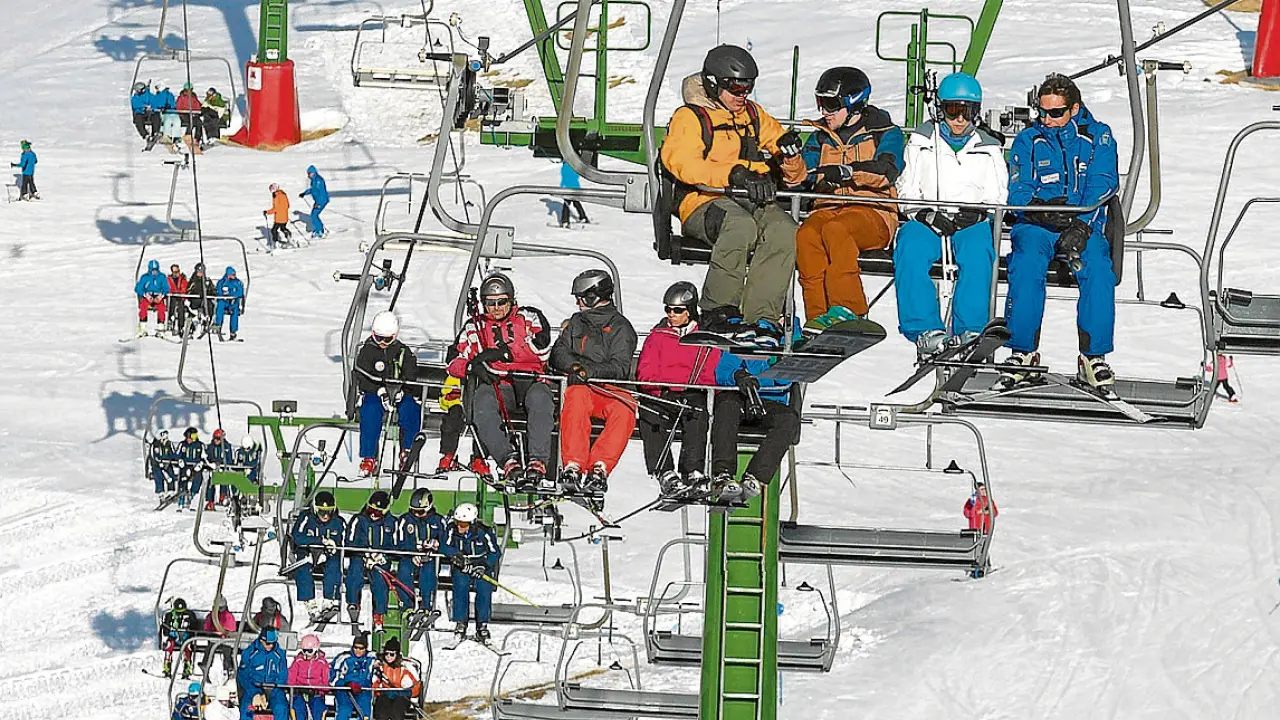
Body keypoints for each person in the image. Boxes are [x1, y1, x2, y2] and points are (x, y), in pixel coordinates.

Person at [659, 45, 807, 344]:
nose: (743, 95)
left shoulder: (752, 115)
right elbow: (683, 164)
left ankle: (762, 318)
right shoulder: (691, 117)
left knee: (785, 229)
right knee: (740, 226)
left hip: (750, 200)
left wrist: (790, 156)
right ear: (714, 84)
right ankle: (719, 311)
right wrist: (735, 174)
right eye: (736, 88)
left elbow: (795, 174)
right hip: (703, 201)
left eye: (748, 88)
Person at [997, 73, 1120, 392]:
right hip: (1038, 224)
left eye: (1055, 113)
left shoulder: (1098, 137)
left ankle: (1093, 356)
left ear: (1074, 109)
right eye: (1043, 112)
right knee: (1026, 264)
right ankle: (1022, 351)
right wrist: (1040, 210)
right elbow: (1018, 187)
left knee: (1098, 269)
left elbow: (1103, 182)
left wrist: (1081, 223)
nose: (1047, 119)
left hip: (1081, 222)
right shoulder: (1028, 139)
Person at [894, 72, 1007, 356]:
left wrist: (980, 213)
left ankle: (970, 328)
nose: (959, 119)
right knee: (910, 247)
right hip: (928, 218)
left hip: (970, 220)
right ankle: (924, 329)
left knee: (979, 252)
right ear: (939, 109)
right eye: (952, 110)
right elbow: (906, 188)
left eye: (966, 111)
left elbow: (998, 194)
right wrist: (922, 213)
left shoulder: (988, 148)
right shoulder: (922, 142)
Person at [793, 67, 904, 323]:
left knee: (836, 230)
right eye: (821, 103)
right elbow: (800, 177)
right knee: (807, 236)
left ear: (854, 103)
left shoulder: (884, 132)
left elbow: (886, 170)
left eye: (831, 104)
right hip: (827, 208)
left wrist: (848, 172)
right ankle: (818, 318)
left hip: (873, 212)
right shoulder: (821, 137)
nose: (824, 111)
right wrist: (790, 158)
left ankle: (849, 310)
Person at [447, 273, 555, 489]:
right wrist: (471, 366)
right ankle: (506, 460)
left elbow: (541, 348)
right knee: (482, 401)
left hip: (530, 379)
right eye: (490, 303)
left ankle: (538, 460)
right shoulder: (474, 327)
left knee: (541, 400)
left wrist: (505, 354)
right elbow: (453, 361)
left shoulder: (528, 318)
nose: (496, 308)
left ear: (511, 300)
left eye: (502, 302)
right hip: (499, 383)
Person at [549, 270, 638, 495]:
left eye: (581, 298)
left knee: (626, 406)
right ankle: (573, 464)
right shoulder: (576, 323)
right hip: (581, 388)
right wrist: (574, 368)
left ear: (593, 297)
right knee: (576, 396)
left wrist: (588, 370)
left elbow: (619, 367)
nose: (578, 303)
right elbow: (558, 353)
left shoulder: (620, 328)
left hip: (608, 389)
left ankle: (600, 466)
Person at [635, 282, 721, 496]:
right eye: (668, 309)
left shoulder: (704, 338)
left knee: (697, 414)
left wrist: (690, 387)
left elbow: (710, 373)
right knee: (650, 413)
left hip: (692, 393)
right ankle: (665, 472)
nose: (671, 315)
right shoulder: (658, 337)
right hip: (662, 394)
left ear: (689, 311)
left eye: (677, 310)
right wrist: (664, 388)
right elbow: (646, 371)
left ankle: (692, 470)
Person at [709, 331, 800, 503]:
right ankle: (723, 473)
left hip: (769, 399)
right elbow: (722, 372)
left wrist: (779, 364)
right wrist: (737, 376)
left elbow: (786, 379)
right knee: (727, 407)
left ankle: (756, 475)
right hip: (739, 396)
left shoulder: (786, 340)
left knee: (788, 418)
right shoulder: (744, 339)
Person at [351, 311, 421, 477]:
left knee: (411, 409)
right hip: (375, 393)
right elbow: (361, 377)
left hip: (399, 393)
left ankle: (407, 450)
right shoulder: (366, 352)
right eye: (378, 338)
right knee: (370, 410)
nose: (382, 343)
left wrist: (403, 391)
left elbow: (411, 374)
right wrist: (379, 391)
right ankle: (369, 457)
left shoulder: (403, 352)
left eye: (387, 339)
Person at [440, 502, 501, 644]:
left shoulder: (484, 532)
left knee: (484, 587)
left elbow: (495, 552)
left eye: (463, 524)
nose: (459, 527)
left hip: (480, 565)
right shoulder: (452, 530)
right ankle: (461, 623)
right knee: (460, 584)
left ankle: (482, 625)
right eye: (458, 523)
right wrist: (458, 557)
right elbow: (445, 546)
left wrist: (484, 566)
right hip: (462, 567)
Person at [345, 490, 398, 632]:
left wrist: (383, 556)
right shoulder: (359, 520)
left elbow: (397, 545)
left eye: (378, 512)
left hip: (379, 560)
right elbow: (349, 541)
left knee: (380, 580)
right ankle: (353, 604)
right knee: (355, 573)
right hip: (360, 557)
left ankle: (378, 615)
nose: (373, 515)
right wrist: (364, 553)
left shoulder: (392, 523)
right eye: (371, 510)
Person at [291, 489, 345, 623]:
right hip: (308, 552)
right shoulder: (306, 518)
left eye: (329, 512)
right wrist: (320, 541)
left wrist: (334, 546)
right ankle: (310, 602)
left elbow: (345, 540)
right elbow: (297, 536)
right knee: (303, 569)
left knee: (334, 565)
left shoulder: (338, 522)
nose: (325, 516)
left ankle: (330, 600)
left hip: (327, 555)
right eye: (322, 512)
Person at [395, 488, 445, 620]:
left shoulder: (438, 521)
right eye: (414, 511)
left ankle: (426, 606)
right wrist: (412, 552)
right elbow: (400, 542)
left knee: (428, 571)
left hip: (430, 558)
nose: (417, 514)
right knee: (404, 571)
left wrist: (436, 545)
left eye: (421, 511)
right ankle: (407, 607)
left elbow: (446, 542)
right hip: (409, 558)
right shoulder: (405, 520)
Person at [434, 374, 489, 477]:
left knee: (484, 419)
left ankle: (479, 459)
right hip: (457, 406)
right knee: (453, 418)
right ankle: (448, 455)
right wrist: (451, 398)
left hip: (478, 405)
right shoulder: (454, 375)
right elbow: (444, 398)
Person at [237, 628, 288, 720]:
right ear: (261, 640)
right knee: (247, 709)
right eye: (268, 643)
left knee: (281, 708)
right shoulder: (250, 653)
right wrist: (254, 693)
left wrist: (272, 691)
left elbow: (283, 676)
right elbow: (243, 676)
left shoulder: (279, 654)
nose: (270, 646)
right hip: (254, 687)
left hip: (274, 689)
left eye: (273, 643)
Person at [371, 636, 420, 719]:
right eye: (386, 654)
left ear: (397, 654)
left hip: (401, 697)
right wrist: (381, 691)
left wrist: (406, 692)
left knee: (397, 711)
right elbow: (374, 684)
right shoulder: (381, 667)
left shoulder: (405, 668)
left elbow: (415, 686)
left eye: (392, 654)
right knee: (382, 711)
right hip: (385, 695)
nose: (388, 657)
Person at [331, 634, 375, 720]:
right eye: (356, 647)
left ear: (365, 648)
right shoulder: (344, 658)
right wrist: (346, 684)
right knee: (344, 710)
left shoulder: (371, 659)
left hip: (363, 689)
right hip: (345, 690)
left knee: (365, 710)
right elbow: (334, 678)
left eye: (361, 648)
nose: (358, 650)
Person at [287, 634, 329, 720]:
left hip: (316, 693)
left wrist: (319, 689)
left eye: (309, 651)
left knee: (318, 710)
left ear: (316, 650)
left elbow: (326, 682)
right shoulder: (298, 661)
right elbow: (291, 678)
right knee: (298, 709)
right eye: (304, 651)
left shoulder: (322, 663)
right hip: (300, 692)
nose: (306, 654)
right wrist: (294, 688)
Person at [160, 597, 200, 678]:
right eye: (178, 612)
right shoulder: (170, 615)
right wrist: (170, 629)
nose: (180, 614)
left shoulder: (190, 615)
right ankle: (167, 667)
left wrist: (189, 630)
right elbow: (165, 630)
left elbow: (194, 627)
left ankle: (187, 668)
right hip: (173, 636)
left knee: (188, 646)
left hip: (186, 636)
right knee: (169, 644)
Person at [202, 595, 237, 678]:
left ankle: (229, 667)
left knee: (227, 649)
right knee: (210, 647)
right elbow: (207, 627)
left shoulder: (227, 616)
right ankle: (206, 665)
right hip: (214, 638)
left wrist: (224, 633)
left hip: (225, 639)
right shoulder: (212, 616)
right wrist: (211, 632)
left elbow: (231, 628)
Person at [135, 259, 169, 336]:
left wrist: (161, 296)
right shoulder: (145, 277)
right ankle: (142, 328)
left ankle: (160, 328)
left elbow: (166, 288)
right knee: (143, 307)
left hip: (158, 296)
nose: (154, 272)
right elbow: (138, 288)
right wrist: (146, 295)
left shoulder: (162, 277)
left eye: (156, 270)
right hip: (148, 296)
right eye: (152, 270)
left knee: (161, 308)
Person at [174, 427, 205, 509]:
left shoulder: (200, 445)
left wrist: (201, 463)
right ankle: (181, 499)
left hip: (196, 467)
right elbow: (176, 455)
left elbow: (204, 457)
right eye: (187, 438)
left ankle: (192, 498)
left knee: (197, 481)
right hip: (185, 466)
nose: (188, 440)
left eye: (190, 438)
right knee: (183, 481)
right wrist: (179, 460)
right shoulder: (182, 445)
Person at [204, 428, 235, 509]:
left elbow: (229, 459)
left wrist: (223, 464)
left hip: (223, 468)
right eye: (215, 438)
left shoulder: (226, 447)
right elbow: (207, 458)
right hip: (213, 468)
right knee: (211, 481)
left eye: (218, 439)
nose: (216, 441)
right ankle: (210, 501)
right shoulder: (211, 447)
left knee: (224, 479)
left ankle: (223, 497)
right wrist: (211, 464)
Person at [215, 266, 245, 341]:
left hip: (233, 302)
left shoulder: (237, 282)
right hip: (224, 301)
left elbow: (240, 292)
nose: (233, 276)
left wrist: (233, 296)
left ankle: (233, 332)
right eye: (232, 275)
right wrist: (223, 296)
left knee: (235, 311)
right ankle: (218, 325)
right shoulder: (222, 282)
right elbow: (218, 291)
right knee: (220, 305)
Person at [557, 159, 590, 228]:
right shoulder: (572, 165)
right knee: (576, 203)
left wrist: (562, 186)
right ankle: (583, 217)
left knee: (567, 204)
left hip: (569, 187)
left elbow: (565, 177)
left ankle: (565, 221)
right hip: (574, 186)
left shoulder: (566, 166)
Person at [300, 166, 329, 238]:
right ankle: (319, 229)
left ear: (314, 172)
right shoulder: (314, 180)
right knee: (313, 215)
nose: (308, 175)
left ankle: (320, 231)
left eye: (310, 173)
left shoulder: (319, 180)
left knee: (314, 215)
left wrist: (319, 204)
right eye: (308, 173)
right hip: (318, 200)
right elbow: (313, 189)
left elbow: (322, 193)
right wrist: (304, 193)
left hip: (322, 200)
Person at [189, 263, 216, 337]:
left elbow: (213, 290)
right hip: (195, 300)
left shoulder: (207, 281)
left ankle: (207, 321)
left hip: (205, 301)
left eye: (202, 272)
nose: (200, 273)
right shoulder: (193, 281)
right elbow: (189, 290)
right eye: (199, 272)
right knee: (194, 307)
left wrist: (210, 292)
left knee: (210, 305)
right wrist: (197, 293)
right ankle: (193, 326)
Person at [175, 81, 204, 151]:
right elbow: (178, 107)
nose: (190, 91)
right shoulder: (182, 97)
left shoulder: (193, 97)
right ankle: (187, 136)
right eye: (188, 90)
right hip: (184, 114)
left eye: (191, 90)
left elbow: (197, 105)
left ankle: (197, 139)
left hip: (193, 114)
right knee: (191, 122)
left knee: (199, 122)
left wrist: (199, 110)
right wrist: (186, 111)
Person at [263, 184, 293, 249]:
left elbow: (276, 208)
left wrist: (267, 212)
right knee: (283, 228)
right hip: (284, 216)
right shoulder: (283, 194)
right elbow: (288, 205)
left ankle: (276, 243)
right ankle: (289, 237)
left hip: (279, 217)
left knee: (274, 230)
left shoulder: (276, 195)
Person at [167, 263, 190, 336]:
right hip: (173, 297)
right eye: (174, 272)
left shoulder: (182, 279)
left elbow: (184, 288)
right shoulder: (169, 279)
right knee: (172, 303)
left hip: (181, 297)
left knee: (181, 306)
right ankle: (170, 321)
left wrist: (180, 293)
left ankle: (181, 326)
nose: (176, 273)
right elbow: (167, 288)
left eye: (177, 271)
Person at [149, 430, 175, 495]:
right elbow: (153, 456)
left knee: (171, 473)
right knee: (158, 474)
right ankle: (160, 491)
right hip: (157, 465)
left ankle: (171, 490)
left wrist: (174, 459)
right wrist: (158, 462)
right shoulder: (155, 445)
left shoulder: (169, 444)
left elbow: (173, 454)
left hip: (167, 463)